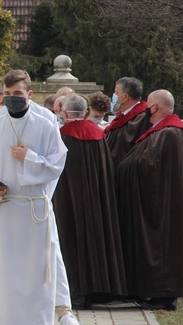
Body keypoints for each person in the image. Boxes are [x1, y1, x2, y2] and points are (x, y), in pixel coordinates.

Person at [0, 70, 67, 325]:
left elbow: (57, 163)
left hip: (34, 208)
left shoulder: (45, 125)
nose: (13, 98)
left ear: (29, 95)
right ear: (2, 94)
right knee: (7, 268)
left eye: (18, 94)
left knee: (38, 268)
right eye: (8, 93)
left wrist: (30, 158)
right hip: (5, 207)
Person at [116, 90, 183, 311]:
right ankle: (156, 294)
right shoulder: (164, 131)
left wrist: (124, 168)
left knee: (163, 248)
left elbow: (148, 164)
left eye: (148, 105)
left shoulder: (169, 133)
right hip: (160, 202)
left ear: (155, 108)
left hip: (162, 206)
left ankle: (164, 296)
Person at [53, 94, 127, 308]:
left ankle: (75, 292)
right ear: (85, 112)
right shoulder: (98, 134)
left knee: (70, 238)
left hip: (69, 201)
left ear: (64, 113)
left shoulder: (61, 137)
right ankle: (99, 289)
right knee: (97, 236)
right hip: (96, 200)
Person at [104, 77, 149, 169]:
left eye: (116, 93)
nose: (114, 96)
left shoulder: (140, 118)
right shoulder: (123, 115)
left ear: (125, 97)